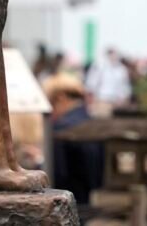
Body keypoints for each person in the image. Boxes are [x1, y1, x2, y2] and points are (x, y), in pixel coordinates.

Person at [43, 73, 104, 206]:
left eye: (51, 102)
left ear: (61, 98)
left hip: (66, 200)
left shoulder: (61, 127)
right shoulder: (90, 121)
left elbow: (57, 173)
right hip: (86, 198)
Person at [85, 48, 132, 117]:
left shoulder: (121, 69)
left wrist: (124, 98)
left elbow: (125, 86)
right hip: (102, 101)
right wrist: (91, 101)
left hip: (117, 102)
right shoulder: (100, 66)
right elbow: (91, 84)